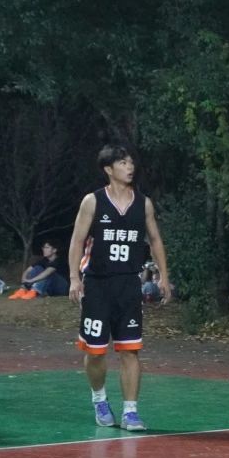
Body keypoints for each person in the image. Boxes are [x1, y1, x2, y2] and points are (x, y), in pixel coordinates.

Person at [68, 145, 173, 432]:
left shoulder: (144, 204)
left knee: (130, 351)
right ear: (108, 169)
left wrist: (164, 276)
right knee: (95, 352)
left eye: (130, 162)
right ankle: (99, 399)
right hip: (97, 284)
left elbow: (155, 240)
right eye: (123, 163)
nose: (130, 167)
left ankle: (130, 411)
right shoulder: (93, 201)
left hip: (128, 284)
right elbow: (77, 240)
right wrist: (74, 278)